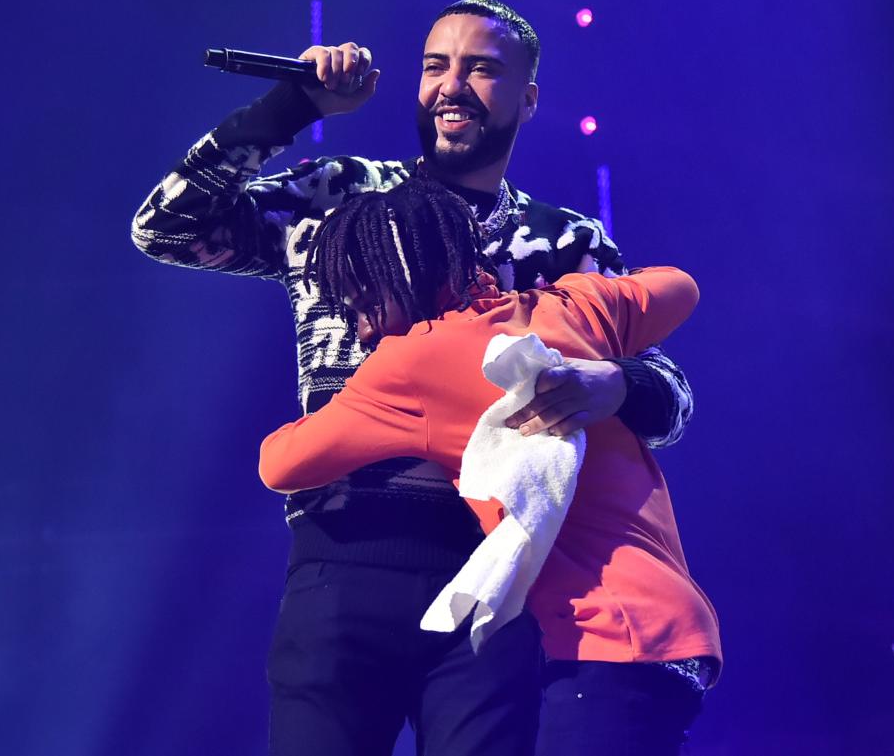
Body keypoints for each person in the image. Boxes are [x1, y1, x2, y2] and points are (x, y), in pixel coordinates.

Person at [132, 0, 696, 755]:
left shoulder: (564, 239)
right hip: (343, 552)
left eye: (482, 68)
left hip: (494, 571)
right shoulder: (341, 195)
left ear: (528, 97)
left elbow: (672, 391)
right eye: (436, 65)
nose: (452, 85)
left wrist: (615, 387)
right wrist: (292, 105)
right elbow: (167, 227)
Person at [258, 177, 722, 756]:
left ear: (411, 280)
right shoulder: (572, 305)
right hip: (670, 626)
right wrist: (617, 374)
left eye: (366, 299)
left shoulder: (412, 360)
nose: (362, 327)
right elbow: (680, 287)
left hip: (598, 640)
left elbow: (281, 463)